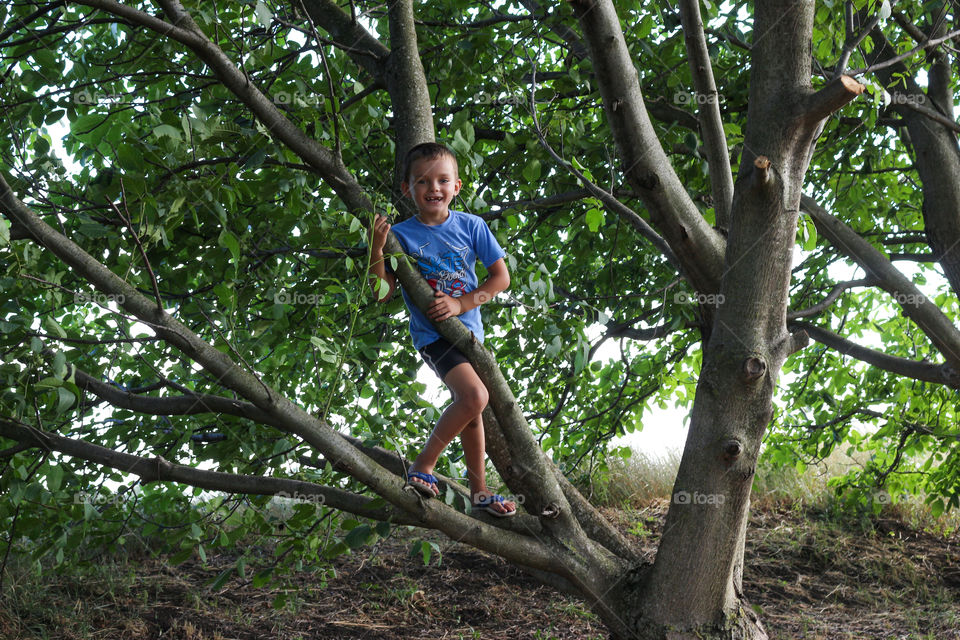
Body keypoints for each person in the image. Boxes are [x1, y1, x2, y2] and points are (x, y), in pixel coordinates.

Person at [368, 142, 516, 517]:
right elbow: (381, 294)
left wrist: (462, 304)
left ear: (456, 187)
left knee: (473, 408)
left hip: (469, 333)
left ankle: (479, 492)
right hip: (434, 337)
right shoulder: (401, 235)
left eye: (442, 180)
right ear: (407, 189)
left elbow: (501, 278)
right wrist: (377, 247)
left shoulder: (472, 226)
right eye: (422, 181)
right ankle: (423, 465)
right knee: (474, 398)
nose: (433, 188)